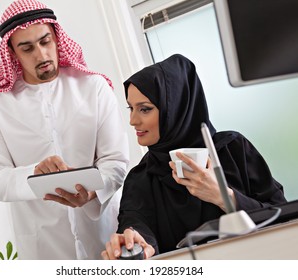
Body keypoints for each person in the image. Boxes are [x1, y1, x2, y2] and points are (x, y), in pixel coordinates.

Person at [0, 0, 129, 260]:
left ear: (57, 38)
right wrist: (35, 173)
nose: (41, 55)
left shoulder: (94, 88)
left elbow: (115, 160)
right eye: (27, 48)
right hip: (44, 249)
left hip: (104, 239)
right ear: (12, 53)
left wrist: (92, 192)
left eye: (46, 42)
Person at [101, 54, 287, 259]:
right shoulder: (141, 178)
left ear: (177, 108)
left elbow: (282, 215)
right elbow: (136, 224)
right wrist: (135, 242)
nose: (133, 121)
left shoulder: (233, 149)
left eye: (145, 109)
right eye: (131, 108)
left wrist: (223, 196)